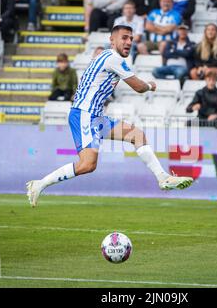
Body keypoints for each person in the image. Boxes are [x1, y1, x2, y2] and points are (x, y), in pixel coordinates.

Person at [26, 25, 193, 208]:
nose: (129, 42)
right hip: (84, 114)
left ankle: (163, 178)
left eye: (131, 38)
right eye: (124, 38)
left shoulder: (108, 57)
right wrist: (150, 85)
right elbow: (138, 87)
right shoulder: (113, 58)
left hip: (97, 116)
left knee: (137, 135)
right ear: (112, 40)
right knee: (87, 165)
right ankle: (39, 184)